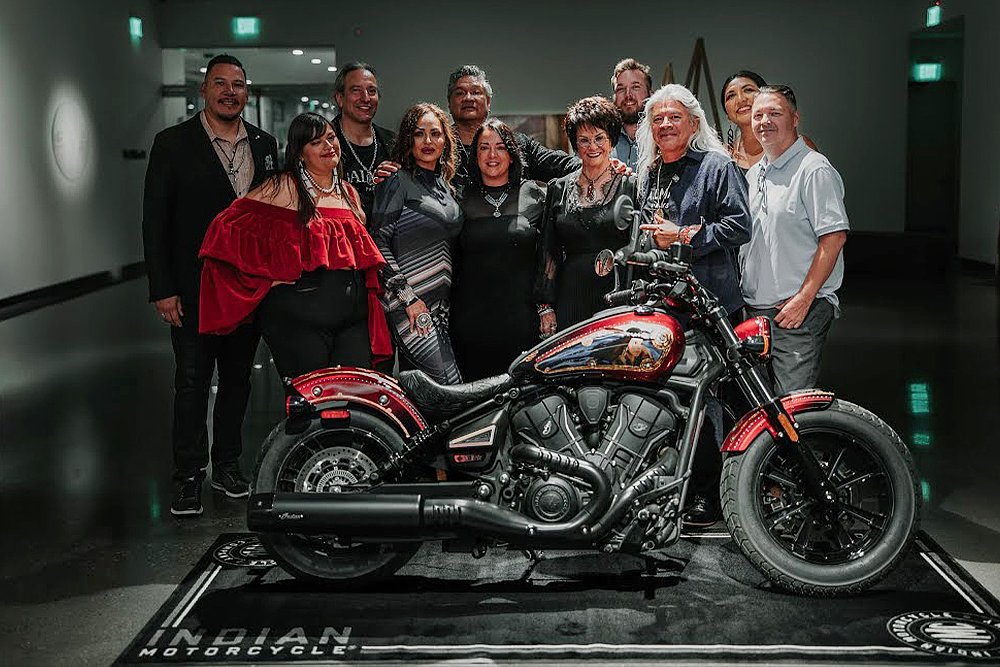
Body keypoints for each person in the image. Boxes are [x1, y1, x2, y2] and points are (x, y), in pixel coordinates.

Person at [142, 55, 278, 517]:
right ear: (203, 90)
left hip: (246, 289)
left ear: (247, 91)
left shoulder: (265, 145)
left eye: (238, 84)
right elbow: (154, 222)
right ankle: (187, 476)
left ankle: (227, 466)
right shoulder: (173, 143)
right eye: (220, 83)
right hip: (194, 287)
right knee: (193, 382)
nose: (229, 91)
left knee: (238, 380)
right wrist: (163, 288)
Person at [634, 84, 752, 528]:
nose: (665, 124)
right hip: (664, 306)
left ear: (694, 123)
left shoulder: (717, 165)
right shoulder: (649, 173)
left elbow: (741, 227)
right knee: (676, 405)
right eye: (658, 118)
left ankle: (714, 494)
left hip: (710, 307)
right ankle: (680, 485)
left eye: (674, 117)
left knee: (713, 406)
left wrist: (684, 236)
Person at [198, 112, 391, 381]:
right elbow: (227, 227)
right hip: (298, 320)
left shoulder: (349, 191)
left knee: (355, 401)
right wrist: (265, 280)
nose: (328, 146)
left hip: (352, 320)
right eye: (316, 142)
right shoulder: (282, 187)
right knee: (310, 409)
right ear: (300, 153)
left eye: (331, 138)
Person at [742, 85, 849, 394]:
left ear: (795, 118)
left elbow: (834, 237)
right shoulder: (755, 174)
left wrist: (804, 298)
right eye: (758, 115)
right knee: (762, 413)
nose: (764, 121)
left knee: (792, 410)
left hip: (797, 312)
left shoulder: (813, 168)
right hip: (756, 313)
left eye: (775, 113)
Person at [371, 103, 464, 385]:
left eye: (435, 134)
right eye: (419, 133)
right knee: (449, 385)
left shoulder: (447, 187)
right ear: (408, 139)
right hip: (409, 307)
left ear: (445, 141)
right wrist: (407, 298)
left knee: (433, 395)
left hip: (442, 309)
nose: (427, 141)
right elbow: (377, 241)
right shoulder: (397, 181)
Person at [452, 119, 547, 380]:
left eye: (501, 147)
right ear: (475, 155)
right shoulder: (459, 197)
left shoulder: (536, 193)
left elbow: (548, 254)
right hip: (470, 319)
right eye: (484, 148)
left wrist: (546, 306)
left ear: (512, 155)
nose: (492, 155)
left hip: (521, 317)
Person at [535, 96, 637, 333]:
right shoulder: (558, 188)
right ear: (575, 144)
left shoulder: (632, 186)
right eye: (584, 140)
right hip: (570, 297)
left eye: (599, 138)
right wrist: (545, 306)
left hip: (617, 296)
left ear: (611, 140)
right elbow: (547, 251)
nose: (592, 147)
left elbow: (639, 247)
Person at [447, 65, 579, 193]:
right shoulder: (440, 147)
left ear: (488, 102)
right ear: (449, 103)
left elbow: (560, 164)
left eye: (476, 92)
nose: (468, 98)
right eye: (460, 93)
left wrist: (592, 166)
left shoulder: (517, 143)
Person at [331, 62, 396, 221]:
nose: (366, 98)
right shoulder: (324, 143)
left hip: (385, 240)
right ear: (340, 99)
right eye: (356, 91)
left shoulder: (393, 142)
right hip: (340, 239)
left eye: (371, 91)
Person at [721, 70, 817, 174]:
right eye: (731, 96)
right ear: (727, 115)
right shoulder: (723, 155)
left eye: (748, 90)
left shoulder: (796, 146)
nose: (740, 99)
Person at [610, 58, 653, 170]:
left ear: (650, 93)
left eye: (635, 87)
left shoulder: (661, 136)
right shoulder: (602, 139)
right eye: (620, 89)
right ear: (614, 97)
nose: (628, 95)